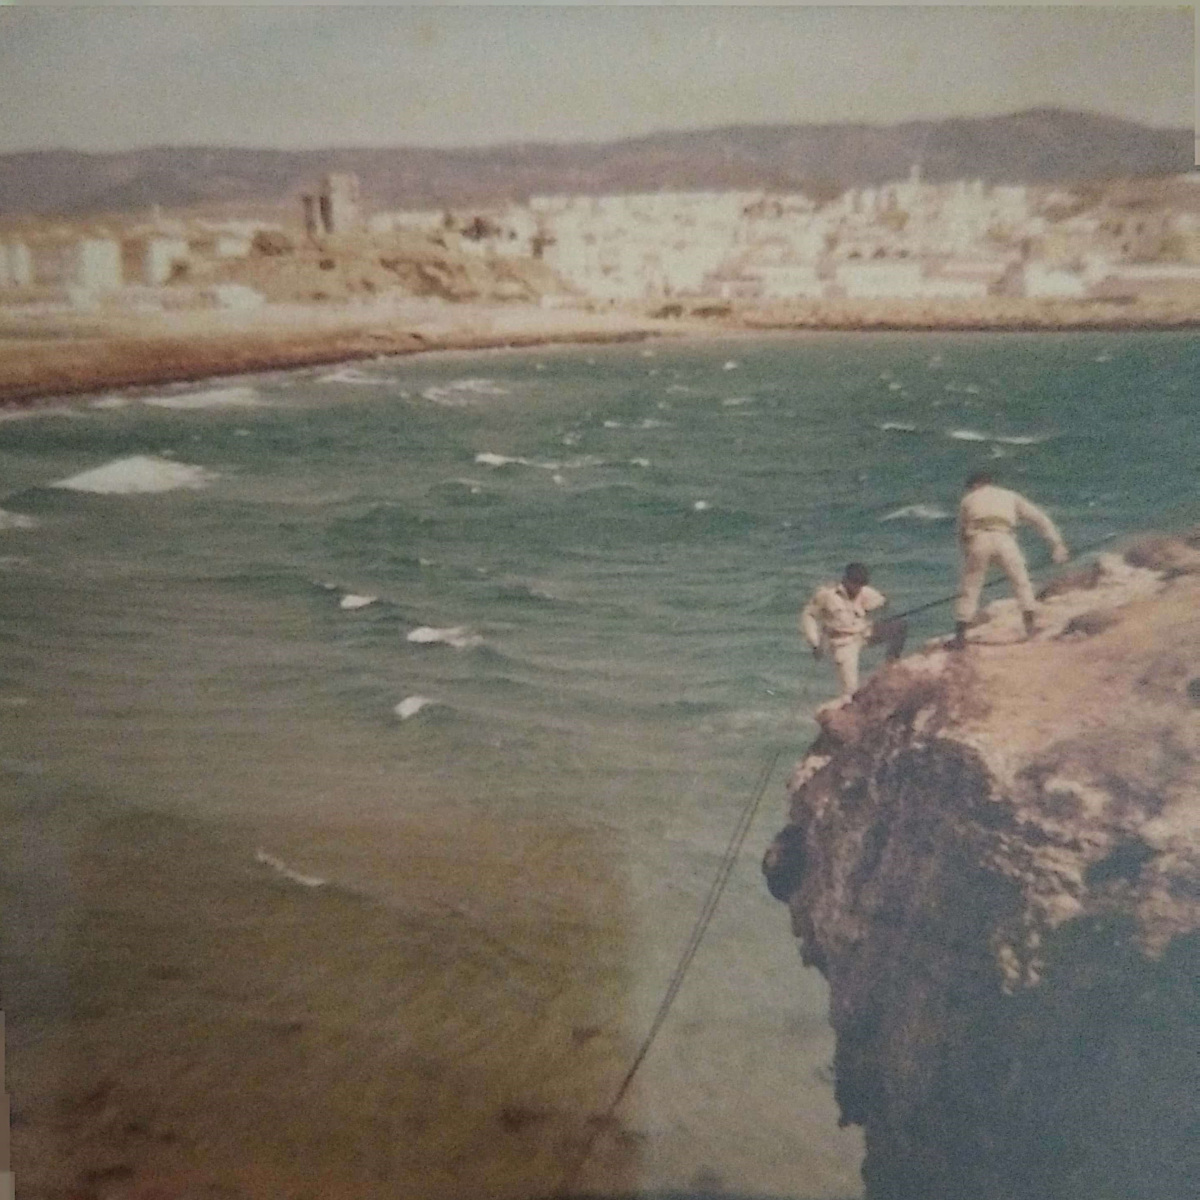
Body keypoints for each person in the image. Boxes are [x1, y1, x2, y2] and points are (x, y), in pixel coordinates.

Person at [953, 471, 1068, 647]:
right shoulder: (1010, 495)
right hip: (1005, 539)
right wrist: (1057, 544)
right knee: (1021, 582)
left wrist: (968, 555)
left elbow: (961, 533)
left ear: (974, 485)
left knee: (970, 587)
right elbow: (1039, 519)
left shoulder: (968, 499)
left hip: (979, 540)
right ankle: (1030, 628)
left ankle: (960, 637)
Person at [801, 563, 907, 699]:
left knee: (900, 626)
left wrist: (881, 609)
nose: (858, 588)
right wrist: (815, 643)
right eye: (855, 583)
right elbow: (809, 616)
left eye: (861, 584)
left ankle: (890, 666)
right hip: (842, 642)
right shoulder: (827, 595)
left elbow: (883, 602)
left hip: (863, 633)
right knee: (851, 690)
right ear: (846, 580)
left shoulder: (865, 591)